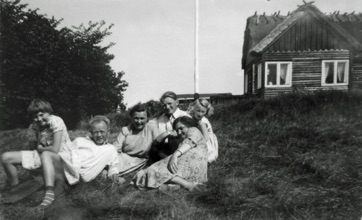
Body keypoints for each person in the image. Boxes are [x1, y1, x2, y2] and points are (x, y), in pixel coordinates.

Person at [1, 99, 75, 207]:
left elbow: (55, 149)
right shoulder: (35, 125)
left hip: (62, 155)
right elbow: (34, 146)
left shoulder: (56, 121)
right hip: (43, 153)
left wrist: (40, 149)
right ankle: (15, 187)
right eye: (35, 117)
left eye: (41, 115)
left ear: (49, 112)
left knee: (45, 154)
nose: (39, 119)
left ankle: (49, 192)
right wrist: (36, 150)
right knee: (5, 157)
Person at [39, 115, 120, 208]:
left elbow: (113, 166)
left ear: (108, 132)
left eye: (102, 132)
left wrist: (112, 174)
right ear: (91, 132)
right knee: (46, 154)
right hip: (67, 166)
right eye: (96, 132)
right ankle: (48, 191)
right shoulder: (80, 141)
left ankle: (49, 194)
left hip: (79, 176)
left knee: (54, 192)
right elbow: (66, 153)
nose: (99, 135)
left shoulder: (110, 149)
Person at [132, 116, 208, 191]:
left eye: (181, 128)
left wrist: (175, 155)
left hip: (193, 162)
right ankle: (175, 186)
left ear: (189, 125)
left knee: (152, 171)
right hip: (196, 169)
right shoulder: (184, 139)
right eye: (177, 130)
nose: (179, 132)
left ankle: (187, 185)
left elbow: (189, 142)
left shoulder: (193, 130)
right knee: (160, 170)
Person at [113, 103, 160, 176]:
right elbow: (115, 148)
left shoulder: (151, 127)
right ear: (131, 118)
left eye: (142, 118)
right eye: (136, 118)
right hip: (125, 159)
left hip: (142, 161)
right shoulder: (125, 130)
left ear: (147, 118)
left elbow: (159, 143)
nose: (139, 121)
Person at [149, 91, 190, 161]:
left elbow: (190, 135)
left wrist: (167, 133)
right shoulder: (160, 118)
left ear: (177, 102)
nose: (167, 107)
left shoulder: (184, 116)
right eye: (164, 105)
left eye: (169, 103)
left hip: (181, 150)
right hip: (163, 151)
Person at [188, 99, 218, 163]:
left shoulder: (203, 122)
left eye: (203, 112)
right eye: (198, 111)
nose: (200, 114)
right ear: (194, 109)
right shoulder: (193, 118)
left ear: (206, 112)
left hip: (206, 140)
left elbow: (206, 138)